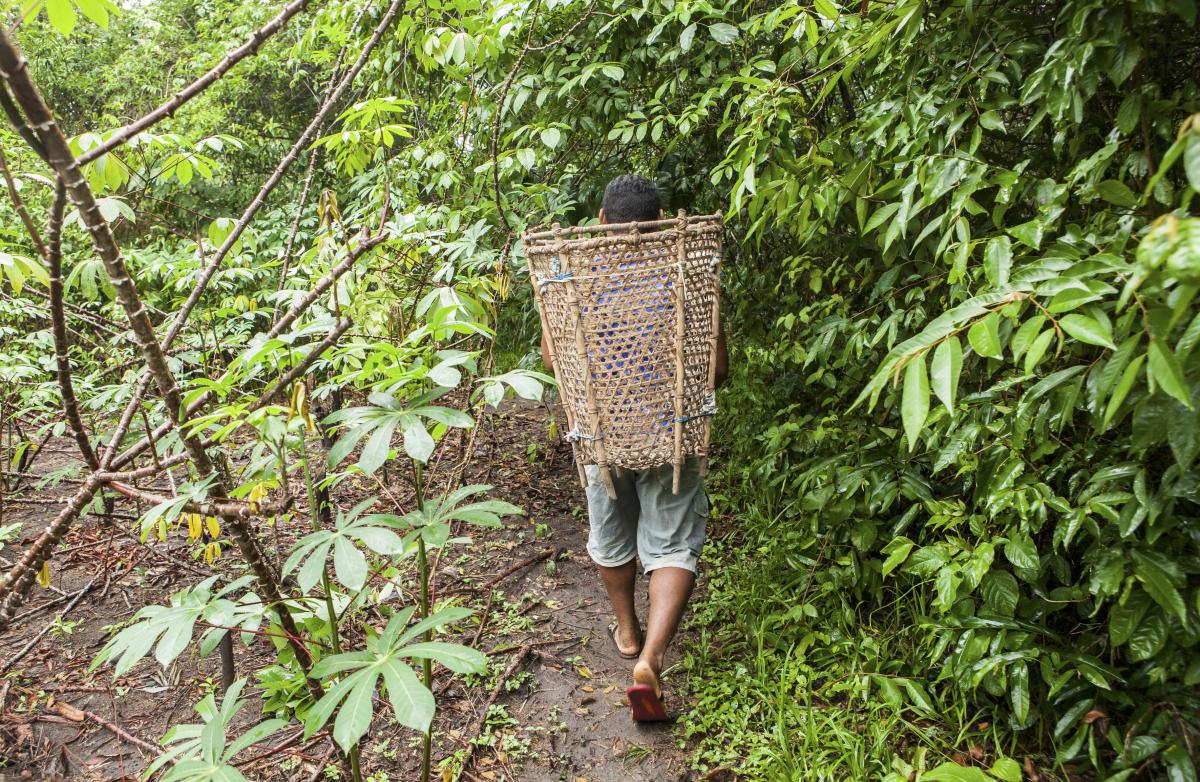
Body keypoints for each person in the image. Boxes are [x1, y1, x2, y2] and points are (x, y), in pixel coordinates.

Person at [538, 173, 728, 721]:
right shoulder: (686, 274)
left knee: (609, 530)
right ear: (659, 221)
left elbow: (554, 363)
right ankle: (652, 657)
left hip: (601, 430)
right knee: (673, 543)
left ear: (601, 221)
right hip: (671, 430)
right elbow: (714, 368)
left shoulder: (571, 276)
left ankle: (627, 631)